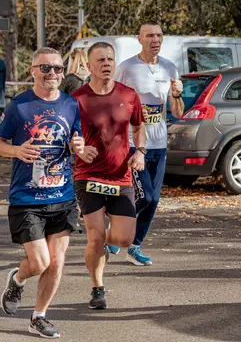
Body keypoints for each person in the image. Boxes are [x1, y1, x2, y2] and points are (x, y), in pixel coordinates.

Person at [0, 47, 88, 339]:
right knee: (39, 263)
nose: (52, 73)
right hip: (27, 199)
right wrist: (16, 151)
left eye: (57, 68)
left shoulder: (71, 104)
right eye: (45, 68)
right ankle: (18, 278)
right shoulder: (20, 106)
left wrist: (78, 147)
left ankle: (39, 316)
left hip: (62, 196)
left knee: (56, 262)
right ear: (33, 71)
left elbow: (76, 140)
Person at [71, 42, 146, 310]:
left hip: (120, 176)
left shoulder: (129, 94)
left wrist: (140, 152)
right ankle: (97, 288)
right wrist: (78, 148)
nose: (106, 64)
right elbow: (67, 134)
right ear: (89, 66)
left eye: (110, 59)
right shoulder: (77, 98)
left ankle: (102, 247)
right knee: (95, 236)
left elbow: (139, 126)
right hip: (88, 176)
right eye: (101, 60)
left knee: (124, 239)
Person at [111, 20, 184, 265]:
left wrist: (176, 94)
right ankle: (117, 231)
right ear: (139, 38)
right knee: (146, 197)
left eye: (159, 35)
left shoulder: (169, 68)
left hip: (159, 143)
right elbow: (113, 103)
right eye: (150, 35)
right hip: (134, 144)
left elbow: (178, 111)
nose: (155, 40)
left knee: (154, 200)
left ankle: (134, 246)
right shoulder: (127, 68)